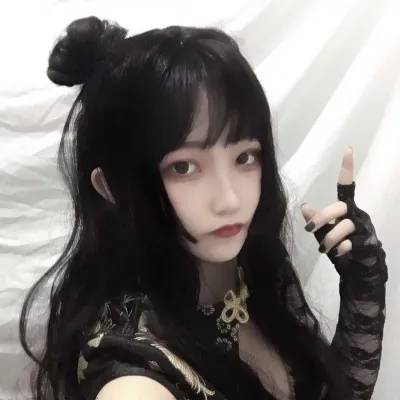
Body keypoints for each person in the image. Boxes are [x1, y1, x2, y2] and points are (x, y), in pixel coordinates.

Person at [19, 16, 388, 400]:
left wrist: (364, 281)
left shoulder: (255, 270)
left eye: (244, 157)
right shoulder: (135, 381)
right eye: (184, 167)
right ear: (111, 186)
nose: (230, 200)